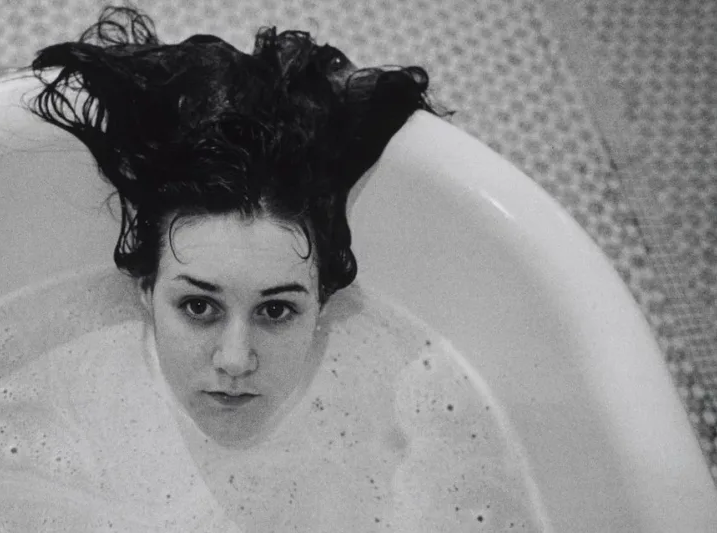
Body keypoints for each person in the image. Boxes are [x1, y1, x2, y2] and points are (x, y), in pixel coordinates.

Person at [27, 6, 446, 448]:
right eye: (198, 306)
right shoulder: (55, 402)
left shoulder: (404, 426)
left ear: (323, 301)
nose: (235, 361)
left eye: (276, 310)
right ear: (147, 289)